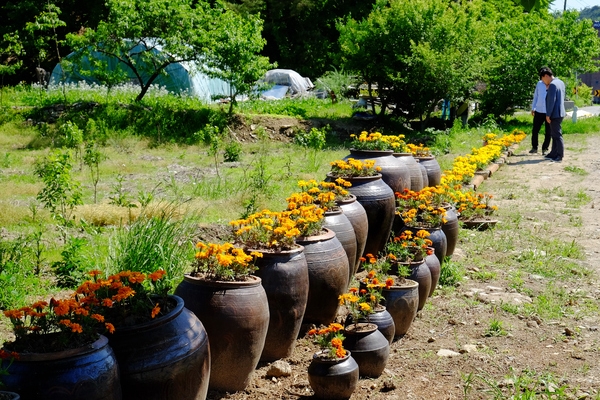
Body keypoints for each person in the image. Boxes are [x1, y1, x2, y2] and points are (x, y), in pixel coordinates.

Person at [541, 67, 566, 162]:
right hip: (561, 112)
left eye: (543, 79)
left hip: (554, 113)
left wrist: (548, 115)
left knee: (557, 135)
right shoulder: (560, 82)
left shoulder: (552, 85)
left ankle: (560, 155)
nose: (544, 82)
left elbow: (551, 101)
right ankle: (553, 153)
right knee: (554, 134)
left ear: (546, 76)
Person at [529, 71, 551, 154]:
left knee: (548, 131)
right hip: (538, 110)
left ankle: (545, 148)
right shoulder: (539, 83)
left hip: (548, 111)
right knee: (535, 130)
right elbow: (536, 96)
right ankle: (534, 147)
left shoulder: (553, 84)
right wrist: (533, 107)